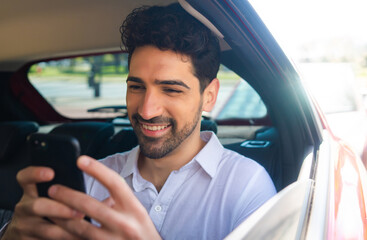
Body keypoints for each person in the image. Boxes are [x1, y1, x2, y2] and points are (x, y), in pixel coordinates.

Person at [1, 3, 276, 240]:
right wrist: (12, 234)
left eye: (171, 89)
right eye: (136, 87)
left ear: (209, 96)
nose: (146, 110)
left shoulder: (246, 187)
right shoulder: (91, 179)